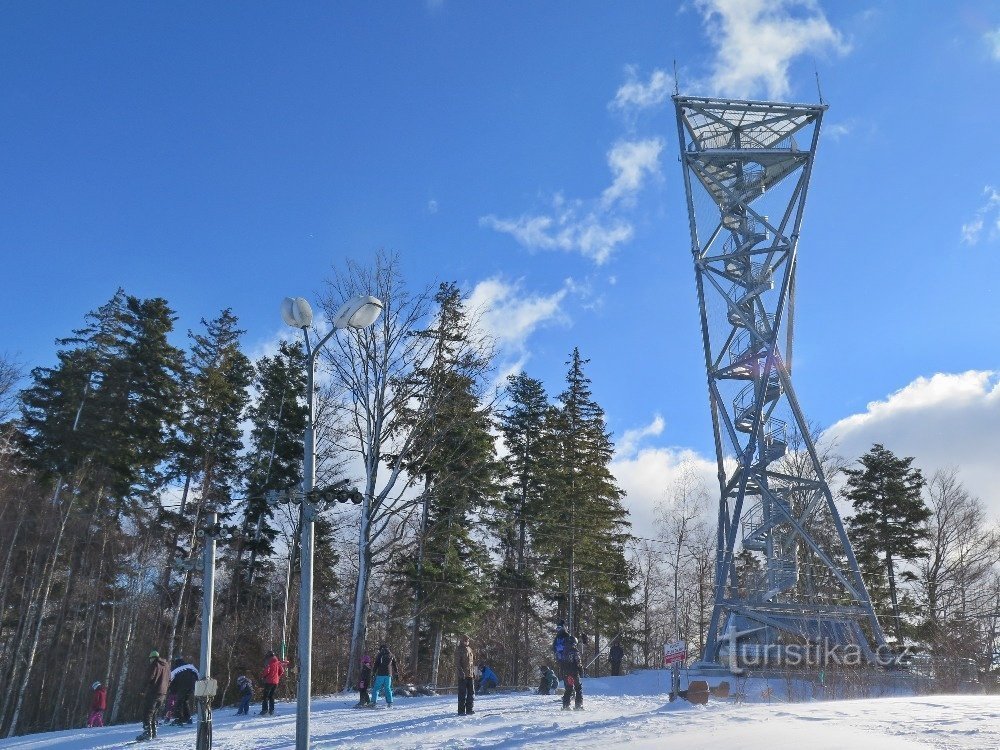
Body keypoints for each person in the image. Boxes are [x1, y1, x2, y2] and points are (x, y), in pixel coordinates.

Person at [136, 649, 170, 742]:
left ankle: (147, 733)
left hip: (154, 692)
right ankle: (153, 732)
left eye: (150, 659)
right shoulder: (166, 665)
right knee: (154, 713)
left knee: (148, 712)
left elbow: (149, 677)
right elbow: (169, 679)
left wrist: (143, 689)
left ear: (152, 658)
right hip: (163, 693)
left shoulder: (155, 664)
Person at [169, 657, 199, 725]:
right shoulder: (190, 666)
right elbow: (197, 674)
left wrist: (172, 691)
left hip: (182, 686)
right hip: (192, 686)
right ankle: (188, 718)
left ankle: (178, 719)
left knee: (178, 702)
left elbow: (170, 681)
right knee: (185, 701)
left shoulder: (175, 669)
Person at [371, 643, 398, 708]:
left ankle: (373, 702)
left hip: (380, 674)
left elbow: (376, 664)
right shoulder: (391, 655)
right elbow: (395, 665)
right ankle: (390, 703)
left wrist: (373, 673)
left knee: (376, 688)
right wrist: (396, 673)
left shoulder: (380, 655)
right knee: (388, 688)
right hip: (389, 675)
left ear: (381, 649)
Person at [455, 634, 475, 716]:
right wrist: (460, 672)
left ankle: (469, 709)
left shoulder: (470, 649)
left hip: (470, 674)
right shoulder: (459, 649)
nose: (467, 642)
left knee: (471, 693)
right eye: (465, 640)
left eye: (468, 640)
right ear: (462, 641)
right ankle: (461, 711)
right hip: (462, 675)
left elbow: (471, 663)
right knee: (462, 693)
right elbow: (457, 662)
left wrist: (473, 672)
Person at [561, 636, 583, 711]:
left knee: (568, 688)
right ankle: (578, 705)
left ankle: (565, 705)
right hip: (574, 672)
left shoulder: (564, 651)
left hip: (566, 673)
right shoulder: (574, 651)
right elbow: (578, 661)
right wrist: (581, 669)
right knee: (578, 688)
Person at [260, 650, 285, 715]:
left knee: (265, 696)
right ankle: (271, 710)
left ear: (269, 656)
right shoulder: (278, 662)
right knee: (271, 696)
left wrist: (263, 676)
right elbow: (282, 671)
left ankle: (264, 710)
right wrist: (277, 676)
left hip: (269, 681)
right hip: (276, 682)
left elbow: (267, 671)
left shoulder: (269, 662)